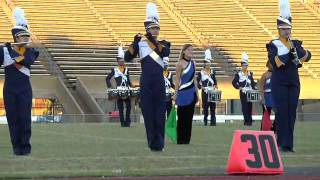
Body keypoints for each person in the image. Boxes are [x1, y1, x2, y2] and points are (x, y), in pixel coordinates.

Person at [124, 3, 170, 151]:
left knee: (159, 114)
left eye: (157, 28)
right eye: (153, 28)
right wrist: (134, 42)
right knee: (149, 114)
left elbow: (164, 53)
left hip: (158, 82)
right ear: (147, 29)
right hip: (146, 82)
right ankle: (152, 144)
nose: (155, 30)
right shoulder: (141, 44)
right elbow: (127, 57)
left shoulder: (163, 43)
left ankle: (160, 143)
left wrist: (152, 39)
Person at [266, 0, 311, 152]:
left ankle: (288, 145)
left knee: (291, 113)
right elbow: (276, 62)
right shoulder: (273, 44)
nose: (287, 31)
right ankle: (280, 142)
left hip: (293, 82)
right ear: (278, 29)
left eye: (288, 28)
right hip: (279, 82)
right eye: (284, 29)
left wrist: (298, 53)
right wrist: (290, 54)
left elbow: (307, 55)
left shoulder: (296, 43)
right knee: (282, 112)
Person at [0, 8, 39, 156]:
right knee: (13, 119)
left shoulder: (31, 51)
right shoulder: (3, 51)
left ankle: (25, 148)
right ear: (16, 37)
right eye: (23, 36)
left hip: (24, 90)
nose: (26, 39)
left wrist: (10, 49)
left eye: (27, 36)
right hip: (9, 90)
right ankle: (16, 148)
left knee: (24, 119)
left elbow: (24, 62)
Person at [173, 44, 198, 144]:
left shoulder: (193, 63)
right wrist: (175, 94)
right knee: (182, 117)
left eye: (192, 50)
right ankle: (180, 139)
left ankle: (187, 139)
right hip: (182, 93)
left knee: (189, 117)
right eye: (188, 50)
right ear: (183, 52)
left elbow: (194, 79)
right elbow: (177, 80)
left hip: (191, 93)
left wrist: (197, 94)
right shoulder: (180, 64)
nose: (191, 51)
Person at [106, 46, 133, 127]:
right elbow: (107, 79)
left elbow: (128, 80)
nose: (122, 62)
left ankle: (127, 122)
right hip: (119, 91)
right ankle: (122, 123)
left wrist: (132, 86)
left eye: (123, 60)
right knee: (120, 109)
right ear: (117, 61)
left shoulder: (127, 69)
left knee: (129, 107)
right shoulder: (115, 70)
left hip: (126, 90)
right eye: (120, 60)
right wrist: (110, 87)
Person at [232, 52, 257, 126]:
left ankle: (250, 121)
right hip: (243, 92)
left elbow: (252, 82)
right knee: (245, 107)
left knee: (250, 106)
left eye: (246, 65)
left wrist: (254, 87)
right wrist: (238, 87)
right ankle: (246, 121)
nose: (245, 66)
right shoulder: (239, 74)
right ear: (241, 65)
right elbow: (234, 82)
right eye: (244, 65)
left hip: (250, 92)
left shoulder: (250, 73)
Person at [197, 49, 218, 126]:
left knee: (213, 108)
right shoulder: (201, 73)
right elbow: (197, 83)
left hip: (212, 92)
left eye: (210, 63)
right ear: (205, 63)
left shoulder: (213, 72)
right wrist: (201, 87)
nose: (209, 64)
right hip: (205, 93)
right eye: (207, 63)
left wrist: (216, 87)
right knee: (205, 108)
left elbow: (215, 82)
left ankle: (213, 123)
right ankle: (205, 121)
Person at [258, 61, 275, 131]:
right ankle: (263, 129)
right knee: (266, 114)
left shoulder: (277, 74)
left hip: (275, 96)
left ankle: (274, 128)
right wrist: (263, 98)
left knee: (278, 113)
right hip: (267, 97)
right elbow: (261, 87)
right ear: (268, 65)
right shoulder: (264, 75)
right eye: (271, 64)